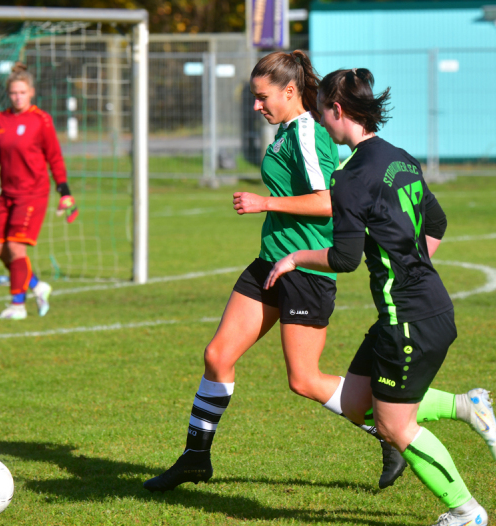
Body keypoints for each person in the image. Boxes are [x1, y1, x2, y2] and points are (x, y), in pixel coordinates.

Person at [144, 50, 408, 494]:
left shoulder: (307, 133)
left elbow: (329, 201)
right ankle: (195, 458)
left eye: (261, 97)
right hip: (270, 261)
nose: (255, 105)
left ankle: (388, 433)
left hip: (305, 270)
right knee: (217, 356)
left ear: (289, 91)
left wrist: (264, 202)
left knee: (304, 380)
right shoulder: (286, 132)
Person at [264, 68, 496, 525]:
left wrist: (294, 258)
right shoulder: (400, 157)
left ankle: (467, 511)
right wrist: (413, 267)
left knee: (395, 426)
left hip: (409, 318)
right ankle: (465, 405)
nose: (321, 123)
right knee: (357, 405)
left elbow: (344, 257)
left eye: (321, 112)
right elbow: (437, 223)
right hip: (416, 307)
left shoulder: (350, 176)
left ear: (337, 110)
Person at [0, 63, 78, 320]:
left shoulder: (41, 120)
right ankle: (38, 287)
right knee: (1, 251)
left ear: (31, 92)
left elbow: (55, 158)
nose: (18, 97)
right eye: (13, 93)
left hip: (33, 195)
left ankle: (17, 306)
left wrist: (64, 192)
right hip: (6, 195)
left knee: (16, 248)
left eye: (22, 92)